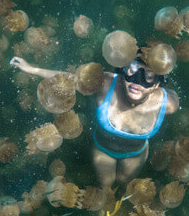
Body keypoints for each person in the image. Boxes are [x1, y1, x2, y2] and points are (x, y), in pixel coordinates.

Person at [11, 54, 179, 188]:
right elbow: (69, 80)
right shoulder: (105, 83)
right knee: (106, 186)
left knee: (124, 182)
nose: (136, 81)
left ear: (157, 84)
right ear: (123, 70)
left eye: (148, 76)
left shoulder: (167, 104)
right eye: (133, 70)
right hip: (103, 150)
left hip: (136, 154)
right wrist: (32, 69)